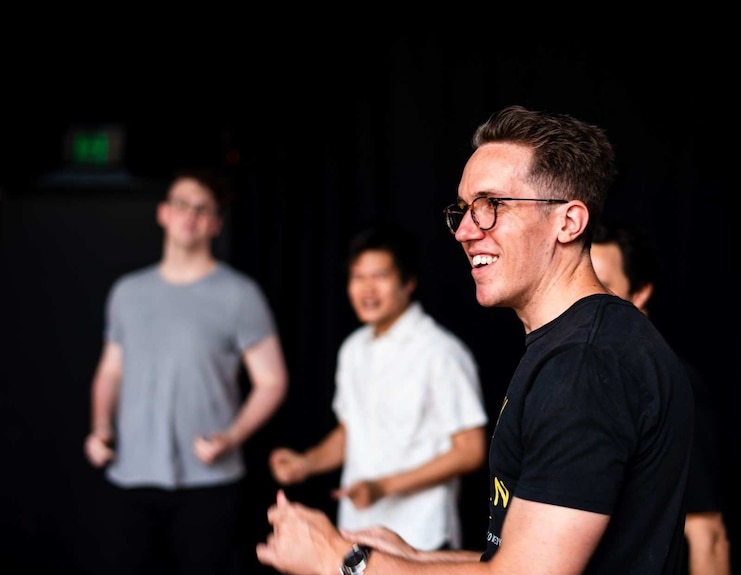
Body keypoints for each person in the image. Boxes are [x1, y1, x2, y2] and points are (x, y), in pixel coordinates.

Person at [256, 104, 694, 575]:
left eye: (492, 206)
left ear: (568, 223)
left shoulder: (584, 365)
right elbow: (529, 556)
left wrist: (341, 562)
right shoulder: (580, 344)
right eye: (464, 210)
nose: (465, 231)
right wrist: (411, 557)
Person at [83, 167, 289, 575]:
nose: (189, 216)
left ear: (214, 223)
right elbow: (110, 372)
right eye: (181, 205)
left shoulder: (239, 295)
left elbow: (272, 381)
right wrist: (100, 429)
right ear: (163, 213)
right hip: (131, 477)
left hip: (209, 484)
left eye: (201, 209)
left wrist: (231, 437)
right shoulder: (128, 292)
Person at [267, 220, 488, 552]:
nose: (367, 289)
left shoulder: (439, 351)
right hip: (356, 532)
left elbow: (470, 450)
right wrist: (305, 463)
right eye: (358, 277)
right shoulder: (353, 349)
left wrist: (384, 486)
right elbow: (351, 431)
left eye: (380, 276)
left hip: (421, 537)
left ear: (408, 282)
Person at [591, 219, 732, 575]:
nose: (586, 302)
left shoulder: (667, 380)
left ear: (640, 293)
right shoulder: (584, 372)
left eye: (602, 288)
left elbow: (707, 532)